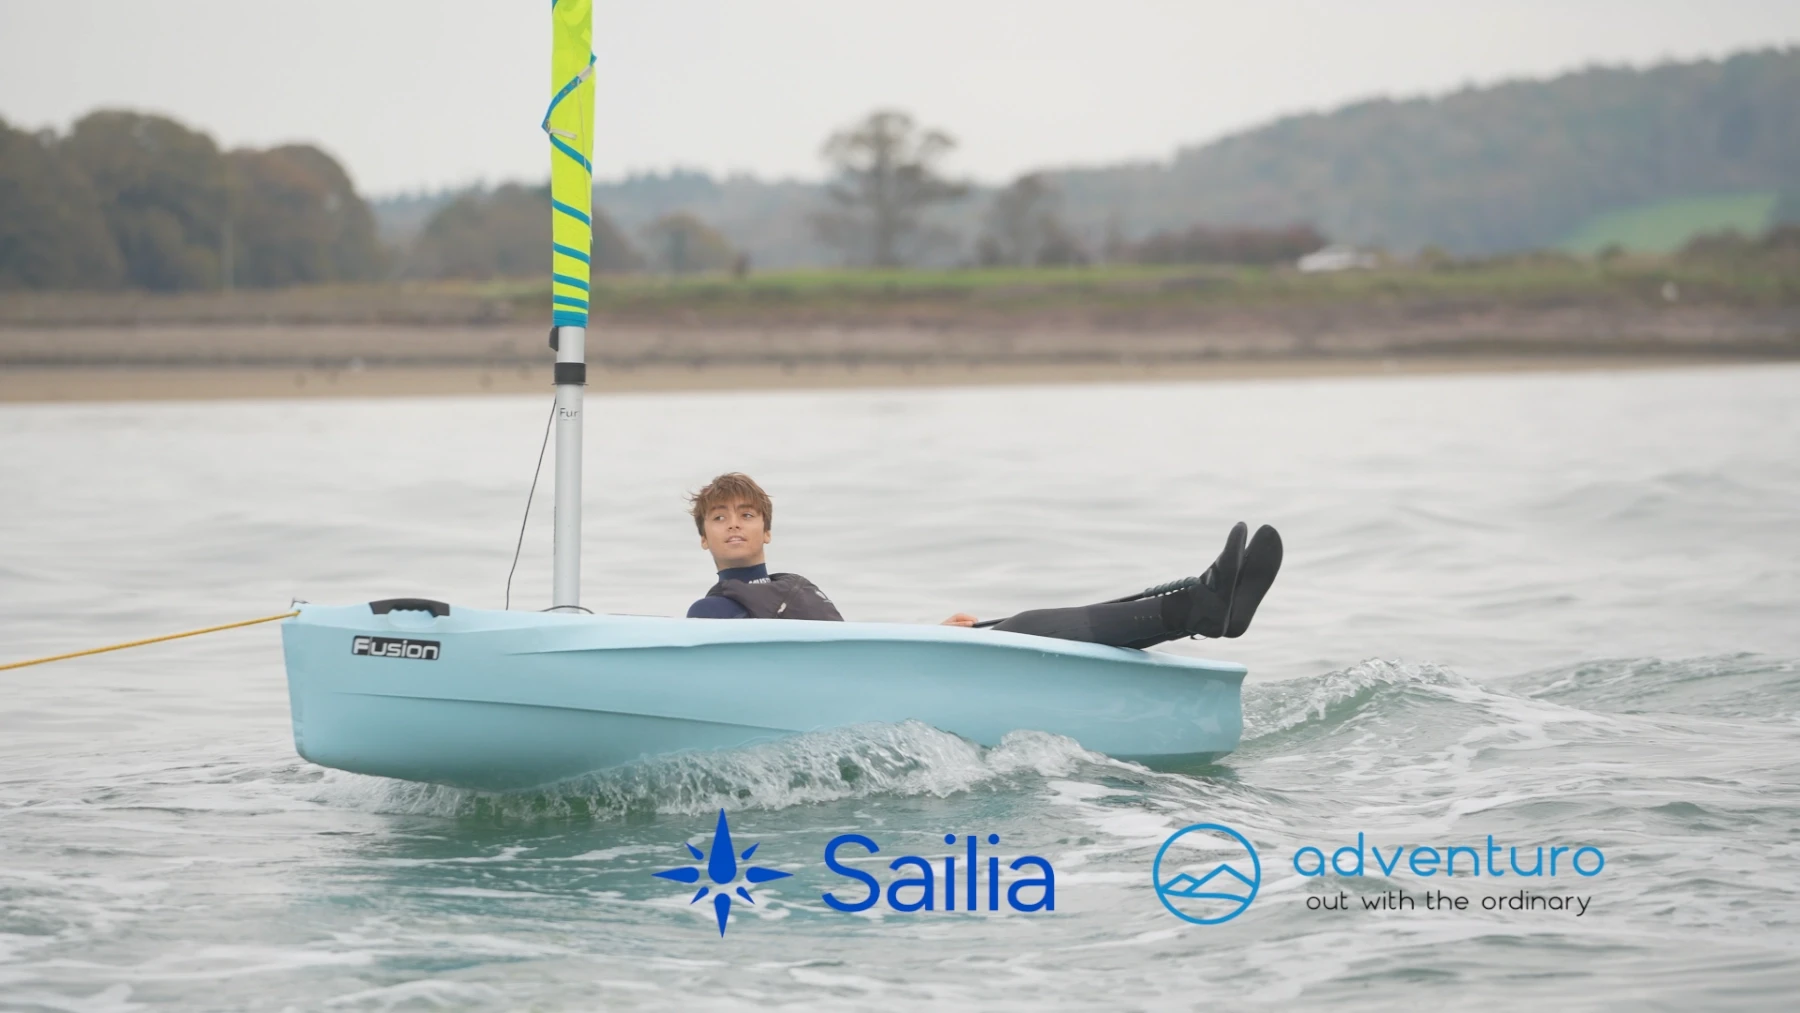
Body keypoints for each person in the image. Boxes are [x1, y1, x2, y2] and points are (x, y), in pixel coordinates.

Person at [684, 472, 1282, 649]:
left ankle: (1202, 602)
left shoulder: (793, 584)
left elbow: (847, 639)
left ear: (767, 527)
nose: (732, 523)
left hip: (882, 669)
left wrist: (927, 634)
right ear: (705, 540)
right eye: (718, 518)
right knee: (1027, 630)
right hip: (868, 689)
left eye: (745, 513)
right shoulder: (713, 610)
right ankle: (1203, 608)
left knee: (1026, 623)